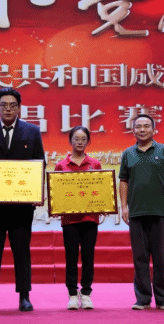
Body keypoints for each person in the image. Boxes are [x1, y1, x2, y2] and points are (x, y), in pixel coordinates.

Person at [0, 87, 45, 312]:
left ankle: (24, 295)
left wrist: (36, 192)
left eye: (13, 105)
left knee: (22, 251)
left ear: (19, 107)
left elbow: (39, 163)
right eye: (4, 105)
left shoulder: (32, 131)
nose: (8, 109)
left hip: (21, 205)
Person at [118, 114, 164, 311]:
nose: (142, 129)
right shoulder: (128, 154)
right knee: (140, 258)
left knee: (161, 257)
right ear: (133, 130)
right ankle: (143, 298)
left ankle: (162, 299)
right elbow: (123, 181)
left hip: (161, 211)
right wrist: (124, 206)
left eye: (146, 126)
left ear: (154, 130)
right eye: (138, 126)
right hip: (136, 212)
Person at [54, 126, 101, 310]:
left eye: (83, 139)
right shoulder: (61, 165)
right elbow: (56, 191)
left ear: (88, 142)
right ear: (70, 141)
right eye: (76, 139)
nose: (79, 142)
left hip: (90, 218)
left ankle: (86, 293)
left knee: (89, 257)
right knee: (71, 257)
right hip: (70, 220)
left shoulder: (95, 164)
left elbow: (101, 190)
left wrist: (103, 205)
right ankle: (72, 293)